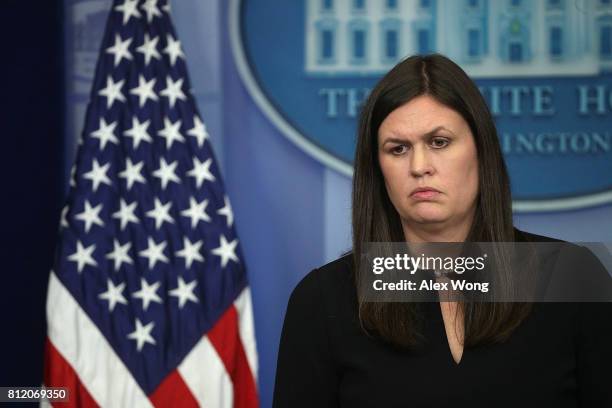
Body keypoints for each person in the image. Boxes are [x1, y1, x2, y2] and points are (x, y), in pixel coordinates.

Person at [272, 54, 612, 407]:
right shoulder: (322, 300)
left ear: (481, 152)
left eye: (439, 142)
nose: (419, 167)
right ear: (378, 169)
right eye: (398, 148)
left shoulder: (574, 278)